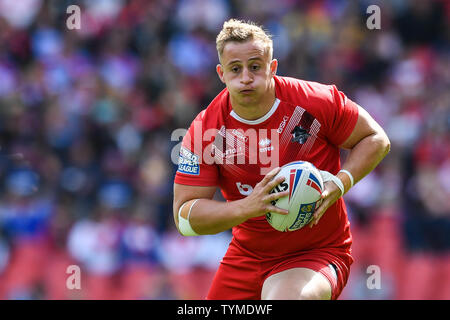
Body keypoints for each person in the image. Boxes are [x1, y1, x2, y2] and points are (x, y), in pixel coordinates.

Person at [172, 19, 390, 300]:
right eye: (235, 69)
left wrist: (341, 182)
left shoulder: (315, 102)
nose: (246, 78)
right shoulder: (206, 129)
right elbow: (185, 217)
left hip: (315, 253)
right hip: (246, 257)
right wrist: (247, 207)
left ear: (272, 68)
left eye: (255, 66)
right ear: (221, 73)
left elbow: (376, 139)